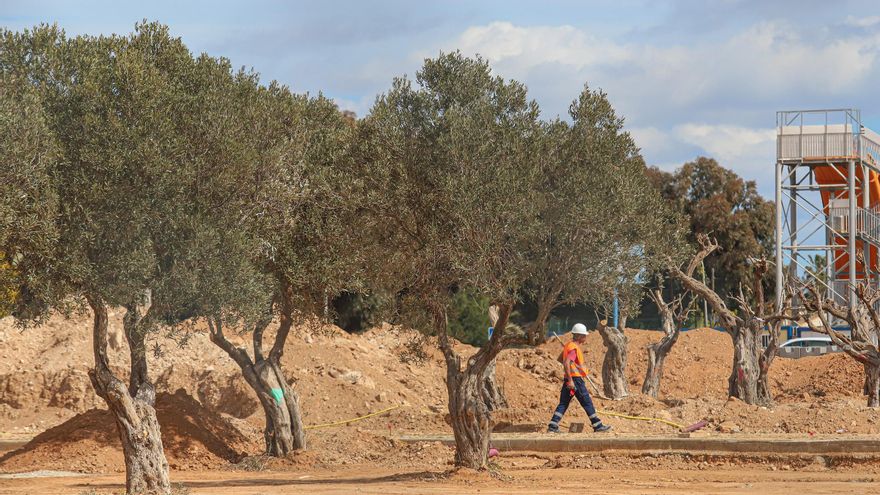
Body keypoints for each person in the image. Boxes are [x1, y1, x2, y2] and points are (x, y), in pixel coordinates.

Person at [547, 323, 611, 433]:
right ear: (580, 336)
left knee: (564, 402)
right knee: (587, 402)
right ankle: (598, 425)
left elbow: (561, 359)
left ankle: (553, 425)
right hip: (575, 380)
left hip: (570, 379)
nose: (586, 337)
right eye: (584, 335)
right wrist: (571, 380)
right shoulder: (573, 348)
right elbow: (566, 363)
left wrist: (574, 364)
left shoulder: (569, 346)